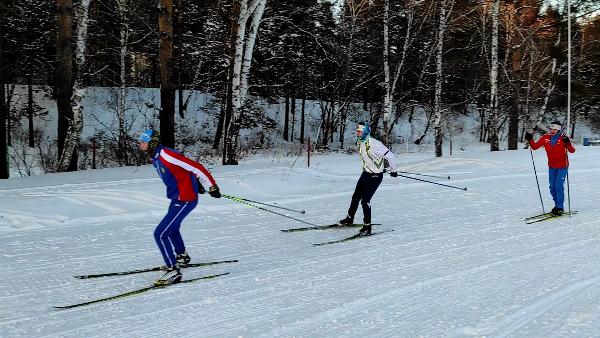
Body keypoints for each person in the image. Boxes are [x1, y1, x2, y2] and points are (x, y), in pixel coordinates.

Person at [138, 129, 221, 285]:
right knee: (172, 228)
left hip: (186, 199)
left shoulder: (166, 154)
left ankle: (173, 271)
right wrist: (195, 182)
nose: (140, 145)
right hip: (177, 198)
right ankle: (182, 256)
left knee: (160, 233)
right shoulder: (155, 156)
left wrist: (212, 186)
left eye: (143, 142)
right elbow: (183, 170)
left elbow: (196, 166)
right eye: (140, 142)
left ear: (153, 142)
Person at [338, 122, 398, 236]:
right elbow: (372, 158)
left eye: (359, 131)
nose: (357, 133)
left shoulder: (374, 143)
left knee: (365, 201)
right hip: (366, 173)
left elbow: (390, 155)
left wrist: (393, 170)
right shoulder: (361, 142)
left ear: (365, 131)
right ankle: (349, 219)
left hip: (375, 177)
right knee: (355, 197)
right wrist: (379, 167)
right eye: (357, 131)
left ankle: (367, 227)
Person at [525, 121, 575, 216]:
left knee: (558, 186)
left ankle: (560, 207)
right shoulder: (546, 137)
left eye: (555, 129)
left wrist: (567, 142)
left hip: (562, 167)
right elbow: (535, 147)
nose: (552, 131)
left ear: (559, 129)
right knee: (552, 187)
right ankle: (557, 206)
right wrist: (530, 139)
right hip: (551, 166)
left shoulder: (564, 137)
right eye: (551, 129)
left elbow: (572, 150)